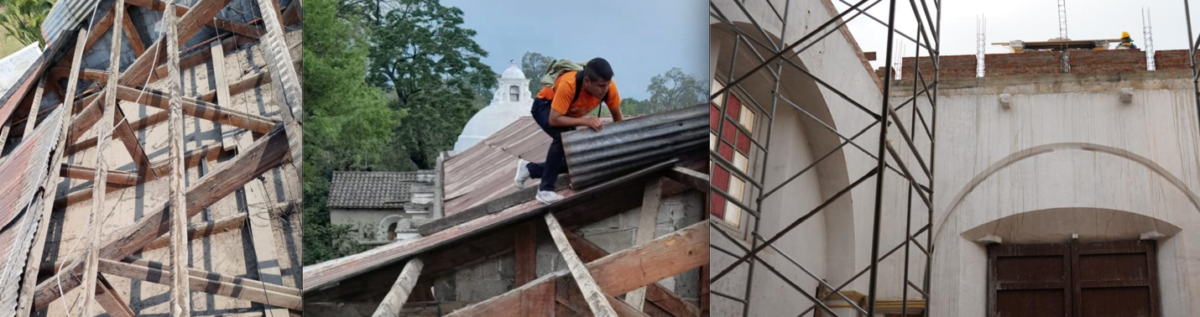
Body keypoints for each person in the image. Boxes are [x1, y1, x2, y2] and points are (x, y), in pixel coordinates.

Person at [514, 58, 623, 204]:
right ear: (586, 81)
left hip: (565, 115)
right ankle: (545, 190)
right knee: (563, 138)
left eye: (607, 85)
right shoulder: (569, 84)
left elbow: (618, 120)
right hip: (545, 106)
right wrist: (585, 121)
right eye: (600, 86)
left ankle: (530, 169)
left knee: (574, 156)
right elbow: (554, 119)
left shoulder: (609, 89)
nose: (604, 90)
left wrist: (619, 146)